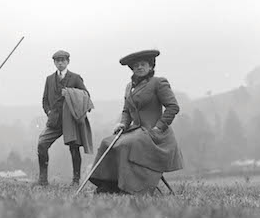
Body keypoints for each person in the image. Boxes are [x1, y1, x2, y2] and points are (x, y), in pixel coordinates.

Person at [88, 49, 183, 194]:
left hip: (156, 135)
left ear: (151, 67)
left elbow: (173, 107)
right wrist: (123, 124)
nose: (139, 67)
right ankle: (108, 185)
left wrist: (159, 127)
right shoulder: (129, 87)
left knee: (127, 145)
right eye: (136, 65)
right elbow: (126, 110)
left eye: (143, 64)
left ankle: (131, 188)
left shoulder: (158, 82)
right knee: (107, 142)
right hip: (136, 130)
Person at [37, 50, 93, 185]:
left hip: (71, 121)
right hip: (54, 120)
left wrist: (69, 93)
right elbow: (45, 99)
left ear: (68, 62)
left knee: (74, 148)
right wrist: (48, 112)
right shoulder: (49, 79)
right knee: (42, 144)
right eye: (57, 60)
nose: (60, 63)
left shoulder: (75, 78)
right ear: (54, 63)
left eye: (63, 60)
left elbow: (86, 96)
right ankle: (43, 180)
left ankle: (75, 180)